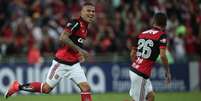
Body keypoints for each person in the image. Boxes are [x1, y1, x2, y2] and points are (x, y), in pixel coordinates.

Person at [4, 2, 95, 101]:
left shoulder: (85, 27)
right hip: (61, 62)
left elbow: (74, 42)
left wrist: (78, 54)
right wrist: (80, 50)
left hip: (74, 64)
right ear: (82, 12)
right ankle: (17, 87)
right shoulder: (76, 23)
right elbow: (63, 38)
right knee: (46, 89)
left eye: (93, 11)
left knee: (86, 88)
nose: (91, 13)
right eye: (88, 10)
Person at [129, 12, 171, 101]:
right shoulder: (161, 36)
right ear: (165, 24)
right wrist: (167, 72)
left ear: (153, 22)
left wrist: (137, 64)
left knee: (151, 96)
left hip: (135, 70)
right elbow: (163, 56)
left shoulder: (142, 33)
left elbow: (132, 53)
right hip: (141, 74)